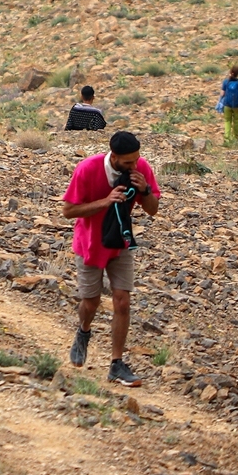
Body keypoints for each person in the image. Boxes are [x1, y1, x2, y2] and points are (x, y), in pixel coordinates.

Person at [62, 130, 161, 387]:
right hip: (90, 243)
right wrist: (105, 202)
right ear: (113, 156)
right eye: (128, 162)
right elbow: (68, 211)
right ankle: (84, 331)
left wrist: (146, 190)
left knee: (122, 301)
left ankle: (116, 364)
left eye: (137, 159)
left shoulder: (141, 169)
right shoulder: (87, 168)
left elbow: (152, 210)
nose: (134, 165)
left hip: (121, 242)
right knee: (91, 302)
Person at [218, 66, 238, 145]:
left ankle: (227, 138)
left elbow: (222, 93)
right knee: (236, 121)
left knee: (227, 121)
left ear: (231, 72)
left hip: (227, 105)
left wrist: (220, 101)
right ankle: (235, 137)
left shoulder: (226, 82)